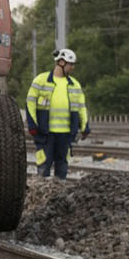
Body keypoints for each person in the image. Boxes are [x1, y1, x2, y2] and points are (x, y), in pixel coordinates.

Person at [26, 47, 90, 179]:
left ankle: (59, 195)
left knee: (62, 167)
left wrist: (85, 126)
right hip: (45, 133)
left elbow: (81, 107)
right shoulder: (41, 80)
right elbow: (30, 102)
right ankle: (42, 194)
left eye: (73, 64)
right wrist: (32, 124)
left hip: (65, 134)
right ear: (61, 62)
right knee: (44, 166)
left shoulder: (75, 85)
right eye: (70, 64)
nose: (72, 67)